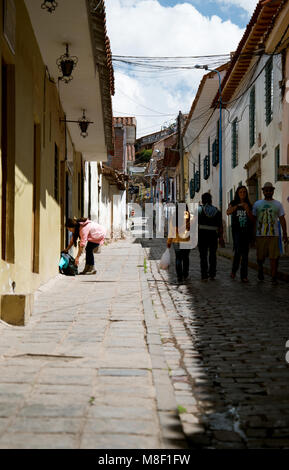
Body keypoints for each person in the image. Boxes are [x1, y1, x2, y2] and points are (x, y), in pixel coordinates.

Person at [252, 182, 288, 284]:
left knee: (274, 257)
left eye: (270, 190)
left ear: (273, 191)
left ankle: (273, 276)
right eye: (266, 190)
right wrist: (253, 235)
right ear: (263, 191)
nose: (268, 192)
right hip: (260, 235)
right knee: (260, 257)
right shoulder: (257, 204)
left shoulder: (278, 204)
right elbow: (254, 220)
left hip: (274, 235)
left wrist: (284, 233)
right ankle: (260, 269)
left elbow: (282, 219)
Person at [226, 186, 254, 282]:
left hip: (246, 232)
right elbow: (228, 212)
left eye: (244, 192)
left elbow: (252, 219)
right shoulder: (233, 203)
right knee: (238, 252)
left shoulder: (249, 205)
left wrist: (247, 210)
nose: (242, 193)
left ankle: (244, 276)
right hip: (236, 231)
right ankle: (234, 271)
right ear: (237, 193)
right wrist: (237, 207)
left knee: (245, 254)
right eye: (241, 192)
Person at [198, 193, 224, 281]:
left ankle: (204, 275)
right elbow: (220, 225)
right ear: (211, 200)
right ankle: (212, 274)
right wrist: (221, 237)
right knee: (212, 255)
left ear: (202, 200)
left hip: (202, 235)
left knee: (203, 256)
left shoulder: (200, 210)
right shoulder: (217, 211)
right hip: (213, 235)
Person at [167, 204, 192, 283]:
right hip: (186, 240)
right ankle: (185, 275)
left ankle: (179, 277)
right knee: (185, 258)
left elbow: (171, 230)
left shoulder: (173, 217)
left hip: (176, 241)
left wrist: (169, 241)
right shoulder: (188, 216)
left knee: (178, 258)